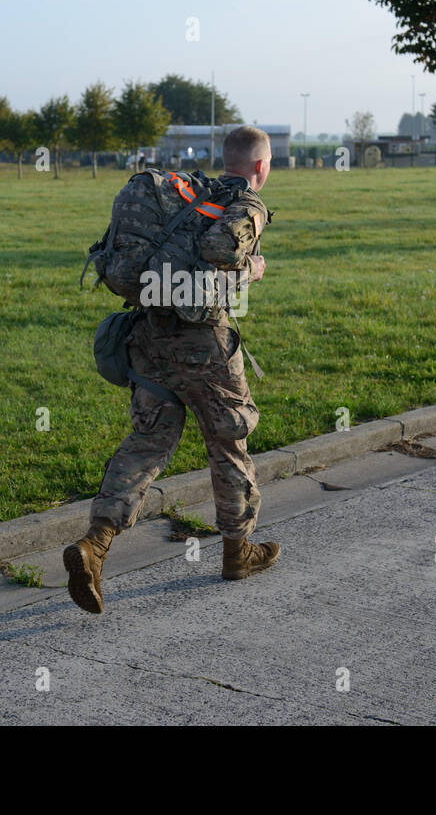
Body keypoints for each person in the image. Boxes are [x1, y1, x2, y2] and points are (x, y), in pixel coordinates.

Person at [63, 125, 278, 614]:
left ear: (222, 157)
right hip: (204, 346)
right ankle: (237, 551)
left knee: (148, 442)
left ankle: (94, 545)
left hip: (150, 335)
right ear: (261, 167)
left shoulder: (190, 193)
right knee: (228, 440)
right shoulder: (246, 203)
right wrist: (253, 270)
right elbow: (223, 251)